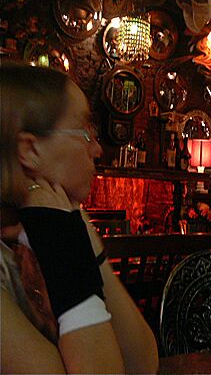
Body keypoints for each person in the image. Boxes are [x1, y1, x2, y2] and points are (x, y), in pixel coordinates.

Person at [0, 63, 159, 374]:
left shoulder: (52, 229)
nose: (98, 149)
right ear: (30, 150)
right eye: (85, 132)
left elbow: (142, 364)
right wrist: (66, 245)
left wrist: (80, 231)